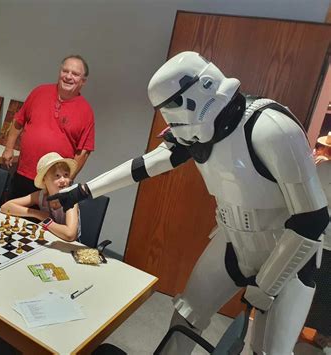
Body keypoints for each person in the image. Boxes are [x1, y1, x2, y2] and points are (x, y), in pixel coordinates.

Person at [48, 51, 329, 354]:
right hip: (233, 240)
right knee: (186, 315)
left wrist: (267, 284)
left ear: (205, 87)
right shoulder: (195, 129)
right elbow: (145, 165)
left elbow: (312, 220)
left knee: (266, 349)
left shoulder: (272, 128)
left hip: (288, 253)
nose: (172, 121)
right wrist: (82, 191)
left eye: (174, 107)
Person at [2, 55, 95, 199]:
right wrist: (8, 149)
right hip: (24, 172)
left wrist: (68, 178)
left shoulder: (86, 111)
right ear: (60, 72)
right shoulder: (39, 92)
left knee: (42, 221)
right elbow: (18, 121)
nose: (68, 76)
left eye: (75, 74)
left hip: (54, 182)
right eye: (65, 71)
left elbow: (83, 151)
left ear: (83, 81)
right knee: (11, 214)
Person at [1, 152, 80, 242]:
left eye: (66, 175)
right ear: (44, 180)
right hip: (50, 239)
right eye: (57, 176)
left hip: (69, 246)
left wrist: (47, 221)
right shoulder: (41, 196)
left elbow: (70, 234)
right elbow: (6, 207)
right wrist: (37, 214)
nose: (63, 180)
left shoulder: (71, 199)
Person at [304, 135, 331, 351]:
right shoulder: (322, 169)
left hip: (318, 237)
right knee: (321, 289)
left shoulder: (321, 169)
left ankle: (302, 326)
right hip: (321, 238)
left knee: (312, 286)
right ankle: (322, 335)